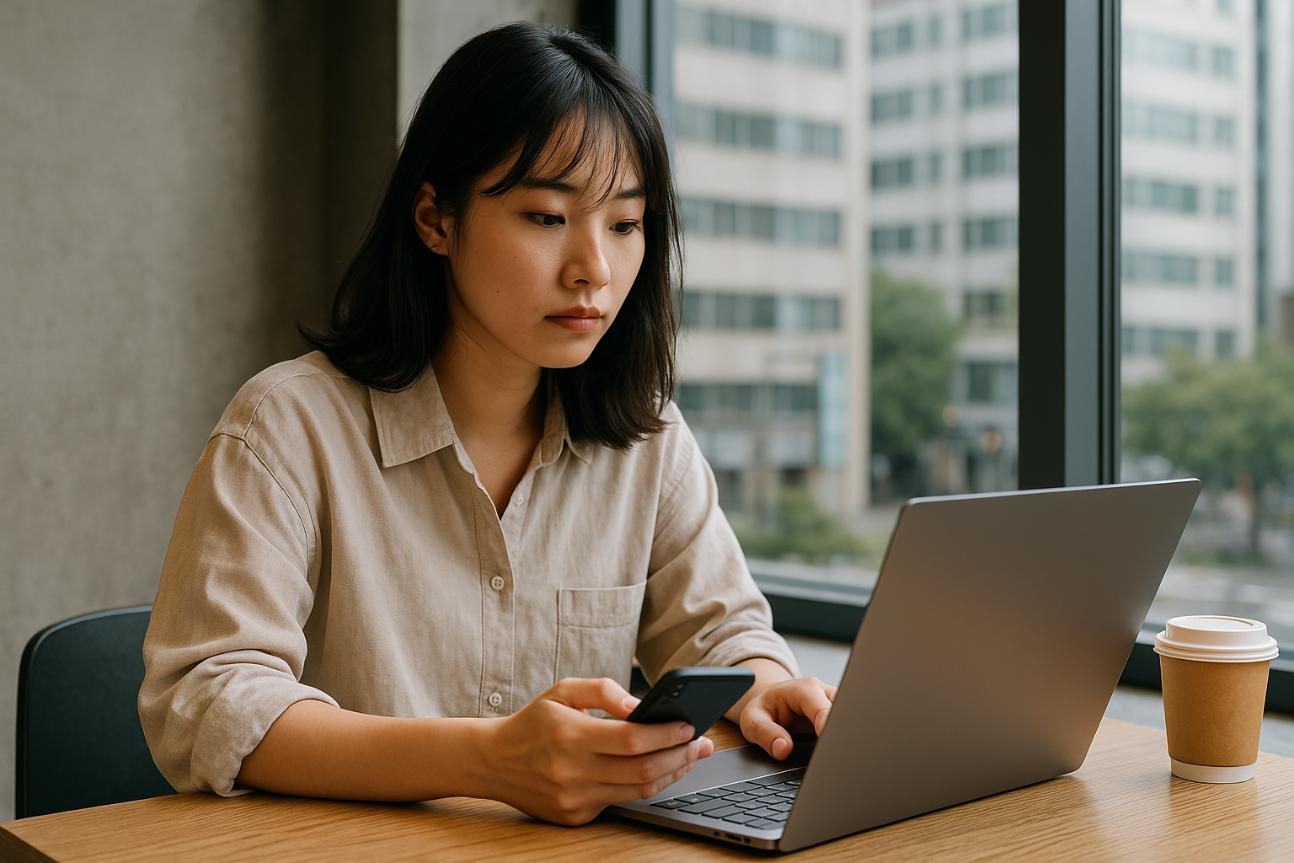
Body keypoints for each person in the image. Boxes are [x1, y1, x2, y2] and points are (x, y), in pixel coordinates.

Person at [138, 21, 836, 827]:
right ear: (436, 218)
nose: (594, 270)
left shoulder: (645, 441)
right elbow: (209, 700)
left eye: (624, 223)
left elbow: (723, 633)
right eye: (546, 217)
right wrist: (489, 760)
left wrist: (765, 684)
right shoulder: (285, 429)